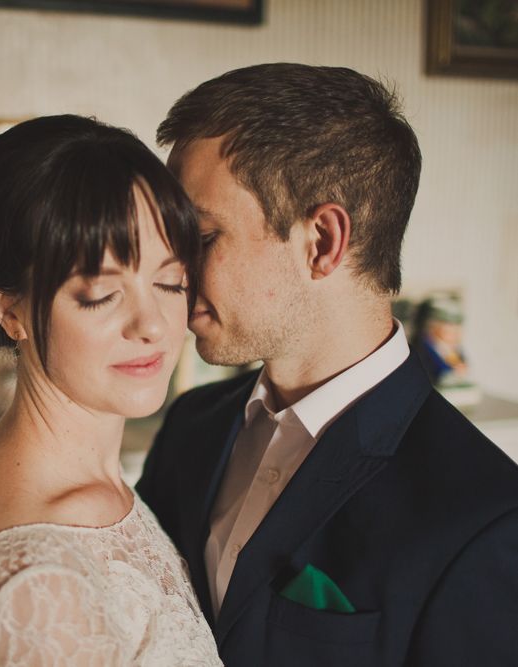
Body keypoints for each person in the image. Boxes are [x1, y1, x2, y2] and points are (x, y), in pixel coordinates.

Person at [137, 63, 518, 666]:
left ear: (322, 242)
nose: (173, 273)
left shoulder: (483, 521)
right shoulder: (191, 426)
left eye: (203, 237)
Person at [0, 115, 222, 666]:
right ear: (10, 310)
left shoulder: (91, 490)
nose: (150, 324)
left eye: (169, 282)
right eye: (101, 295)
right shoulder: (40, 586)